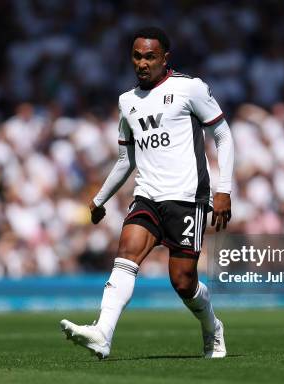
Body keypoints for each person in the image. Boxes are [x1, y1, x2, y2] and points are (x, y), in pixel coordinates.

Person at [60, 27, 234, 359]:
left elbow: (223, 135)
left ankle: (213, 325)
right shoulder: (128, 102)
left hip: (187, 197)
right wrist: (99, 200)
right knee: (126, 255)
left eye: (150, 56)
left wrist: (223, 190)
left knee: (183, 282)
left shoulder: (189, 88)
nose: (142, 63)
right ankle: (103, 334)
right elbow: (127, 160)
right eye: (137, 56)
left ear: (165, 58)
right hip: (148, 196)